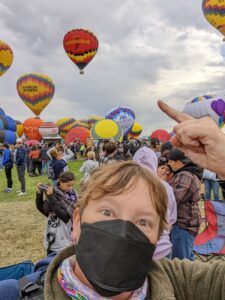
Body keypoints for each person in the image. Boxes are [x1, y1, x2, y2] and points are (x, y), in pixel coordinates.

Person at [133, 146, 177, 259]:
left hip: (135, 247)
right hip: (162, 247)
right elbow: (172, 218)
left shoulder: (125, 186)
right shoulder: (165, 187)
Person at [167, 148, 202, 260]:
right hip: (184, 223)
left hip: (183, 224)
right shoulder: (183, 173)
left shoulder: (185, 176)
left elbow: (172, 200)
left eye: (170, 161)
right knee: (183, 257)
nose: (168, 164)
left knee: (182, 262)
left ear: (179, 162)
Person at [36, 171, 78, 255]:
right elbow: (43, 209)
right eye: (68, 185)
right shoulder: (53, 192)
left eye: (72, 185)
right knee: (51, 263)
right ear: (61, 182)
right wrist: (39, 193)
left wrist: (51, 197)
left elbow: (65, 217)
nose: (70, 188)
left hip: (66, 239)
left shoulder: (73, 196)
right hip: (52, 238)